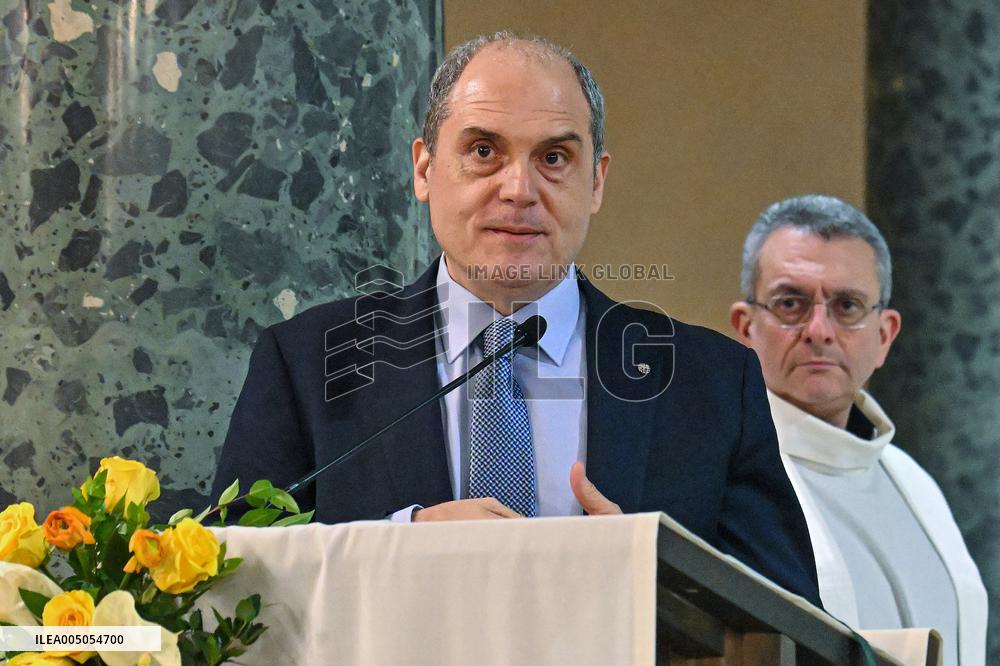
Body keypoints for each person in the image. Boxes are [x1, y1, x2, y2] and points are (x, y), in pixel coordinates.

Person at [213, 32, 821, 605]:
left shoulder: (711, 383)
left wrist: (656, 580)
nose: (519, 189)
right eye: (483, 152)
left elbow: (790, 625)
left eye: (554, 157)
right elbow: (226, 584)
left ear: (596, 182)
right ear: (424, 169)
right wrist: (402, 540)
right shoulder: (308, 363)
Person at [729, 195, 987, 665]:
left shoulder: (915, 484)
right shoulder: (719, 477)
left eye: (847, 305)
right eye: (791, 303)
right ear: (745, 329)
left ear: (884, 335)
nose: (819, 330)